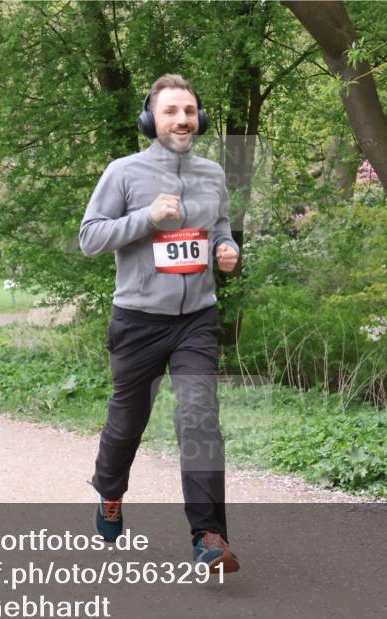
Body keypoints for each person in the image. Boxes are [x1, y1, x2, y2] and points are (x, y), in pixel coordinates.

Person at [79, 74, 241, 573]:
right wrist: (147, 217)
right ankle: (109, 491)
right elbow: (90, 237)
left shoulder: (213, 173)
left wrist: (225, 247)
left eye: (189, 111)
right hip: (139, 319)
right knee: (128, 422)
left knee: (199, 416)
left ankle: (209, 536)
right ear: (152, 119)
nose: (182, 120)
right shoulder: (123, 173)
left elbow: (218, 225)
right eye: (171, 111)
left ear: (200, 118)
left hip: (196, 318)